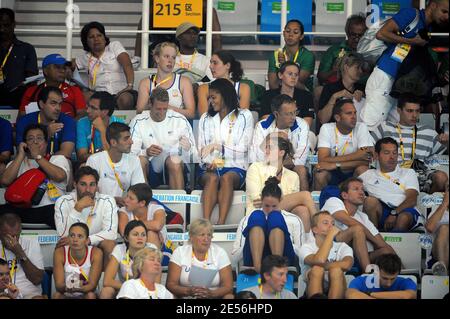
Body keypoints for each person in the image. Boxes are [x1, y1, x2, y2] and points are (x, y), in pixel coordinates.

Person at [360, 0, 449, 131]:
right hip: (386, 73)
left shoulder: (428, 27)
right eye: (444, 11)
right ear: (433, 5)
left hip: (401, 83)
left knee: (397, 130)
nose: (447, 17)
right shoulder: (411, 14)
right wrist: (411, 41)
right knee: (371, 126)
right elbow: (381, 34)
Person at [198, 78, 253, 224]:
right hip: (210, 167)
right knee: (212, 178)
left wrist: (220, 150)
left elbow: (244, 148)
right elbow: (202, 149)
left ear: (225, 95)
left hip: (236, 167)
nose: (211, 101)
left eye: (214, 97)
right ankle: (205, 223)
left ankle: (220, 223)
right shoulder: (205, 118)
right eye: (209, 98)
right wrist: (213, 161)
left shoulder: (244, 115)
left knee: (227, 177)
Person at [371, 93, 448, 193]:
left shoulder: (429, 131)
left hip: (421, 178)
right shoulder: (384, 127)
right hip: (391, 175)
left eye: (417, 111)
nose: (414, 115)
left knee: (441, 177)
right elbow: (368, 149)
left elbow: (444, 155)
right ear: (399, 111)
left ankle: (424, 199)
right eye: (409, 111)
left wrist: (447, 143)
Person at [0, 124, 70, 227]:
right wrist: (20, 155)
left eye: (39, 138)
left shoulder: (57, 159)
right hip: (21, 209)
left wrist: (38, 157)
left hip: (49, 208)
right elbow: (5, 181)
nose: (35, 142)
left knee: (60, 212)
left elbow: (59, 176)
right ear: (25, 143)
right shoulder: (16, 163)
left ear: (46, 143)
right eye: (30, 139)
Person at [232, 177, 306, 273]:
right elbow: (235, 257)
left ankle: (277, 265)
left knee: (275, 217)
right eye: (266, 206)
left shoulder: (294, 219)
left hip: (284, 258)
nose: (270, 210)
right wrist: (255, 240)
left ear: (281, 200)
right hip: (254, 260)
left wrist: (280, 238)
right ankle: (258, 266)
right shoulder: (247, 220)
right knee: (256, 215)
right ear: (261, 200)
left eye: (274, 206)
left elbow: (302, 254)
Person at [322, 177, 396, 272]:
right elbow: (349, 221)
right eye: (356, 189)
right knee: (357, 229)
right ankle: (367, 272)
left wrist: (386, 248)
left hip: (355, 255)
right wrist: (374, 241)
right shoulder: (334, 201)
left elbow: (381, 243)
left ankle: (402, 275)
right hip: (331, 248)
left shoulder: (363, 217)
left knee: (387, 250)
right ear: (344, 195)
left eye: (362, 190)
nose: (361, 193)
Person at [246, 135, 316, 233]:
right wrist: (287, 200)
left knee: (302, 210)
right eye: (266, 147)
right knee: (305, 195)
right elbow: (257, 200)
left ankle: (306, 242)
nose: (266, 151)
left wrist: (287, 201)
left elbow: (295, 204)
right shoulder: (255, 167)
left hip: (284, 213)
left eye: (270, 147)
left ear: (281, 153)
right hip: (260, 212)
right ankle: (317, 226)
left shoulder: (293, 176)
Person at [130, 87, 196, 189]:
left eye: (165, 109)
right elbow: (130, 153)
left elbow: (193, 153)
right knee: (140, 161)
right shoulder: (138, 121)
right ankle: (143, 200)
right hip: (150, 167)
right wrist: (146, 152)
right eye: (158, 109)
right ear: (150, 105)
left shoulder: (179, 119)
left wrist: (187, 147)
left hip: (175, 166)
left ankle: (178, 203)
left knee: (174, 160)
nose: (162, 112)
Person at [54, 166, 118, 267]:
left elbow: (112, 233)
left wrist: (87, 240)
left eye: (92, 185)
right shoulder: (63, 201)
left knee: (110, 245)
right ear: (75, 184)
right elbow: (63, 235)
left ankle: (104, 281)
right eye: (83, 184)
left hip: (96, 242)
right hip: (73, 243)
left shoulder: (107, 201)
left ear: (97, 186)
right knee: (63, 244)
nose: (88, 189)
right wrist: (77, 209)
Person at [360, 137, 423, 232]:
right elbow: (346, 188)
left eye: (394, 153)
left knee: (403, 218)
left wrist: (394, 213)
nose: (392, 157)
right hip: (381, 211)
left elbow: (412, 200)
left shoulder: (408, 172)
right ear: (377, 156)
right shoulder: (367, 175)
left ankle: (395, 245)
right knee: (369, 202)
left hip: (404, 210)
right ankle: (375, 238)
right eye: (386, 153)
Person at [251, 94, 311, 191]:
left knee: (301, 170)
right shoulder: (261, 126)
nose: (293, 117)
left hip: (292, 166)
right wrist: (271, 137)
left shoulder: (302, 125)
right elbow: (257, 156)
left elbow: (300, 158)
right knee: (255, 169)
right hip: (267, 166)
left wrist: (278, 163)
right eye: (288, 114)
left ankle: (303, 200)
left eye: (295, 112)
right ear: (276, 114)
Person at [134, 2, 222, 66]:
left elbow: (206, 6)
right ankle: (138, 58)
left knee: (211, 10)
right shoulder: (155, 5)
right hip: (162, 39)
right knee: (148, 10)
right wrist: (138, 56)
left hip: (187, 40)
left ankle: (219, 57)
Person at [75, 21, 137, 110]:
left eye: (99, 35)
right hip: (101, 95)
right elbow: (69, 67)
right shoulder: (85, 58)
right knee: (85, 97)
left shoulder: (114, 46)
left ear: (104, 37)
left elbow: (127, 63)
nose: (96, 39)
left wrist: (130, 85)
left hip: (122, 92)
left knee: (125, 100)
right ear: (86, 41)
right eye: (91, 37)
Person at [314, 98, 373, 191]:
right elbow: (322, 161)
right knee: (320, 174)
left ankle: (362, 203)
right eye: (349, 113)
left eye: (354, 113)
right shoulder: (326, 128)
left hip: (353, 171)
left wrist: (335, 164)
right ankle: (322, 203)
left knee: (363, 169)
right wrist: (357, 155)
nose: (353, 116)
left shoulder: (361, 127)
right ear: (337, 117)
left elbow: (366, 161)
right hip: (333, 172)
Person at [166, 219, 233, 299]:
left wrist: (211, 293)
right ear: (191, 237)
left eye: (209, 235)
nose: (206, 239)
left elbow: (228, 286)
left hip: (213, 296)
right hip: (186, 296)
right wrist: (188, 291)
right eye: (202, 235)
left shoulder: (220, 252)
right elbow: (171, 284)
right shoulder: (180, 252)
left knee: (229, 296)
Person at [86, 122, 145, 207]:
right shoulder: (94, 160)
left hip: (124, 207)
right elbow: (89, 193)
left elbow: (139, 191)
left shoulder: (134, 160)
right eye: (126, 139)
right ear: (113, 142)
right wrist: (112, 200)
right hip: (99, 207)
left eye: (130, 138)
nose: (131, 142)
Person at [299, 211, 353, 299]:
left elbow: (347, 265)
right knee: (317, 270)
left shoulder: (343, 246)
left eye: (333, 223)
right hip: (311, 291)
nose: (331, 226)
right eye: (325, 223)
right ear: (315, 229)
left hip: (338, 288)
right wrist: (330, 235)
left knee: (336, 271)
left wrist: (325, 265)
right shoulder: (306, 247)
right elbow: (319, 260)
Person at [136, 42, 195, 119]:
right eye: (166, 56)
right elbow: (139, 112)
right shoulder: (146, 83)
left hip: (176, 127)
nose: (170, 60)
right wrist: (156, 106)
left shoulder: (184, 82)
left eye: (173, 57)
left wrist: (168, 108)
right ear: (157, 58)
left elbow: (191, 114)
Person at [15, 86, 76, 159]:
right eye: (53, 103)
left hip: (55, 165)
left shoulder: (67, 121)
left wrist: (45, 161)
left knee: (61, 160)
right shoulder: (24, 121)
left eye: (60, 104)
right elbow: (22, 152)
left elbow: (66, 153)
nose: (58, 108)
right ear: (41, 104)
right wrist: (47, 135)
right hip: (31, 162)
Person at [19, 53, 86, 119]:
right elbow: (22, 118)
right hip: (38, 128)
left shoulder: (74, 90)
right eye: (57, 67)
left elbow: (82, 115)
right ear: (45, 71)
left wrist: (66, 126)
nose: (62, 71)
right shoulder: (31, 91)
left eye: (64, 68)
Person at [52, 223, 103, 299]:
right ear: (68, 238)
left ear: (87, 240)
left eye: (80, 236)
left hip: (85, 293)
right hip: (66, 294)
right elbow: (58, 285)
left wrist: (77, 288)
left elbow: (92, 286)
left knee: (90, 296)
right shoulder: (59, 252)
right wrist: (67, 287)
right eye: (72, 235)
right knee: (57, 296)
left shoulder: (96, 253)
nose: (75, 240)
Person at [0, 8, 38, 109]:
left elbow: (32, 80)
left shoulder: (27, 49)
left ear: (14, 24)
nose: (2, 29)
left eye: (6, 25)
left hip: (18, 101)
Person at [0, 213, 44, 299]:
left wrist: (20, 253)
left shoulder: (32, 243)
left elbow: (37, 280)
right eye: (8, 236)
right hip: (4, 292)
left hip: (30, 293)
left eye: (16, 235)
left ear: (20, 230)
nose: (13, 239)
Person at [100, 220, 148, 299]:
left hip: (145, 289)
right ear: (126, 237)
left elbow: (155, 283)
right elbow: (107, 281)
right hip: (124, 287)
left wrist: (137, 290)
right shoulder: (119, 249)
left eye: (143, 235)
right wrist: (129, 288)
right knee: (106, 291)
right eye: (135, 234)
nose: (140, 238)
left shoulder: (151, 250)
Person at [259, 61, 315, 128]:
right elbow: (265, 120)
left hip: (298, 134)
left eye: (296, 75)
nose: (293, 77)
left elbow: (307, 124)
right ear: (280, 75)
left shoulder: (306, 96)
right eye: (290, 74)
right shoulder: (268, 95)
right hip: (274, 133)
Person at [317, 14, 367, 86]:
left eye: (360, 35)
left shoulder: (370, 53)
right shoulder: (334, 50)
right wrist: (334, 71)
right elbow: (321, 77)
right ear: (347, 32)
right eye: (353, 34)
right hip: (336, 89)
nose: (356, 38)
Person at [76, 91, 124, 163]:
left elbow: (116, 156)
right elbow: (82, 156)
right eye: (88, 106)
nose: (88, 111)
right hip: (91, 164)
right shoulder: (82, 123)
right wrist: (102, 155)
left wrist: (102, 130)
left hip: (114, 165)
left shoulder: (119, 124)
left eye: (93, 108)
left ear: (105, 112)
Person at [197, 50, 251, 115]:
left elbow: (242, 117)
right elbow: (204, 118)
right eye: (210, 63)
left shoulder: (243, 88)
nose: (210, 66)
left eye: (215, 63)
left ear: (227, 65)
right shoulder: (203, 88)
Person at [318, 53, 366, 125]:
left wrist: (363, 96)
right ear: (346, 67)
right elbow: (322, 119)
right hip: (334, 132)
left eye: (361, 68)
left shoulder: (362, 88)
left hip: (356, 132)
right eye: (357, 68)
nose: (360, 71)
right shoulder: (330, 88)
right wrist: (334, 97)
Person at [268, 19, 315, 92]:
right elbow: (272, 85)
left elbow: (295, 82)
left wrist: (284, 65)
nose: (290, 35)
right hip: (279, 94)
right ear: (283, 33)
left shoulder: (308, 56)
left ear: (301, 36)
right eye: (288, 31)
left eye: (295, 32)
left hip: (301, 93)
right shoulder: (275, 55)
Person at [346, 253, 417, 299]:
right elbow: (350, 294)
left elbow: (408, 295)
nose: (389, 284)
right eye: (385, 278)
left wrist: (370, 294)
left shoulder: (406, 282)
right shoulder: (362, 281)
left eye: (392, 279)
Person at [119, 183, 167, 250]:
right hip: (133, 249)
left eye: (131, 198)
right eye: (127, 196)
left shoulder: (157, 209)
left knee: (151, 234)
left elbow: (157, 225)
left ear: (142, 203)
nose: (125, 200)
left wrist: (133, 227)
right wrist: (150, 228)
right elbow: (124, 232)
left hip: (160, 250)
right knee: (151, 233)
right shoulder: (123, 211)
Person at [425, 186, 448, 275]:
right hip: (438, 254)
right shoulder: (439, 208)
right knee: (444, 229)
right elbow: (429, 227)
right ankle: (443, 270)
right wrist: (444, 203)